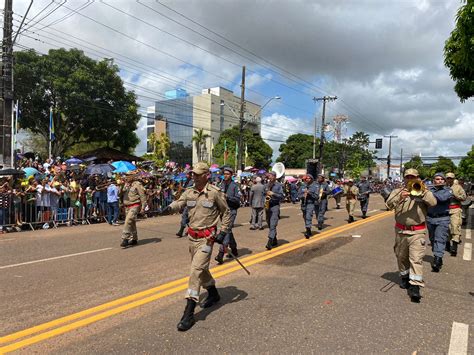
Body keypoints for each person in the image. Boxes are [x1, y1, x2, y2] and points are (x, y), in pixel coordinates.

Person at [162, 162, 231, 331]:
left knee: (195, 271)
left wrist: (223, 232)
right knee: (201, 269)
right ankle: (213, 293)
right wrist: (169, 208)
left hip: (207, 240)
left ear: (207, 175)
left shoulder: (214, 193)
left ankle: (189, 313)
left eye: (198, 174)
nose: (194, 176)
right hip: (192, 238)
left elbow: (226, 212)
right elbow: (180, 203)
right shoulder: (190, 192)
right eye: (193, 174)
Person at [386, 169, 436, 303]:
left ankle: (415, 286)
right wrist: (400, 197)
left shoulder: (424, 191)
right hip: (401, 231)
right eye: (407, 177)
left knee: (416, 258)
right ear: (404, 178)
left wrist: (422, 192)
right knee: (401, 256)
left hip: (417, 232)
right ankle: (404, 276)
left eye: (413, 177)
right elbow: (388, 205)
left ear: (418, 177)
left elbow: (433, 203)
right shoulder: (397, 191)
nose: (410, 179)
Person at [427, 173, 453, 272]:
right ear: (434, 181)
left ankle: (437, 259)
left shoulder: (448, 190)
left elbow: (441, 198)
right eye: (437, 179)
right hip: (430, 219)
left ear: (445, 181)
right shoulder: (430, 190)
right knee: (432, 239)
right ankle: (437, 255)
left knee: (439, 239)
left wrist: (427, 193)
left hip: (442, 219)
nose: (440, 180)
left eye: (442, 179)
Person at [215, 167, 240, 264]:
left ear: (231, 175)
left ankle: (221, 253)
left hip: (231, 210)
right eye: (224, 174)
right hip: (222, 211)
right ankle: (234, 249)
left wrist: (228, 197)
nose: (225, 175)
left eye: (227, 174)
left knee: (225, 231)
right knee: (228, 230)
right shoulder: (221, 184)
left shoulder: (235, 186)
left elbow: (238, 200)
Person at [120, 172, 146, 248]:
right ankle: (134, 239)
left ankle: (125, 238)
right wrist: (122, 186)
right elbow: (120, 194)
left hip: (135, 205)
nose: (126, 177)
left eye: (128, 175)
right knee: (132, 222)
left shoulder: (137, 184)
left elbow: (142, 195)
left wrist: (143, 207)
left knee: (128, 220)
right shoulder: (125, 184)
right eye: (126, 175)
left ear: (132, 176)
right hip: (127, 206)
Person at [445, 173, 467, 256]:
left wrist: (455, 195)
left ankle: (454, 248)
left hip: (455, 209)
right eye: (448, 178)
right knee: (446, 229)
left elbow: (464, 197)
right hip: (445, 210)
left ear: (453, 178)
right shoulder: (443, 187)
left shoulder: (458, 187)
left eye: (451, 178)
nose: (449, 179)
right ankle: (447, 245)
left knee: (455, 228)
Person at [264, 171, 285, 250]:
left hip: (275, 206)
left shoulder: (279, 186)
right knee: (269, 223)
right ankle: (274, 239)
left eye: (271, 176)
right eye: (269, 176)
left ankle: (269, 242)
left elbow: (282, 196)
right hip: (267, 206)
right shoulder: (266, 185)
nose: (269, 177)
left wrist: (273, 194)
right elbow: (263, 194)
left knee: (273, 224)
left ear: (275, 177)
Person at [299, 174, 319, 238]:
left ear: (311, 179)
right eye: (306, 178)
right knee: (305, 217)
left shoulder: (315, 186)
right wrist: (302, 196)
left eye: (309, 178)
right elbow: (298, 195)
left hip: (310, 203)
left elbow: (316, 196)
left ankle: (308, 230)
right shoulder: (302, 186)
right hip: (303, 204)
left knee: (308, 216)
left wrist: (309, 193)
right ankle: (308, 228)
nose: (307, 179)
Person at [176, 172, 194, 238]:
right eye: (186, 174)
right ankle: (182, 230)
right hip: (187, 201)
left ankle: (186, 230)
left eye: (188, 174)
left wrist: (182, 188)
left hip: (193, 201)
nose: (186, 175)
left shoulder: (192, 181)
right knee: (185, 215)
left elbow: (190, 189)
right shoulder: (185, 181)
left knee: (189, 216)